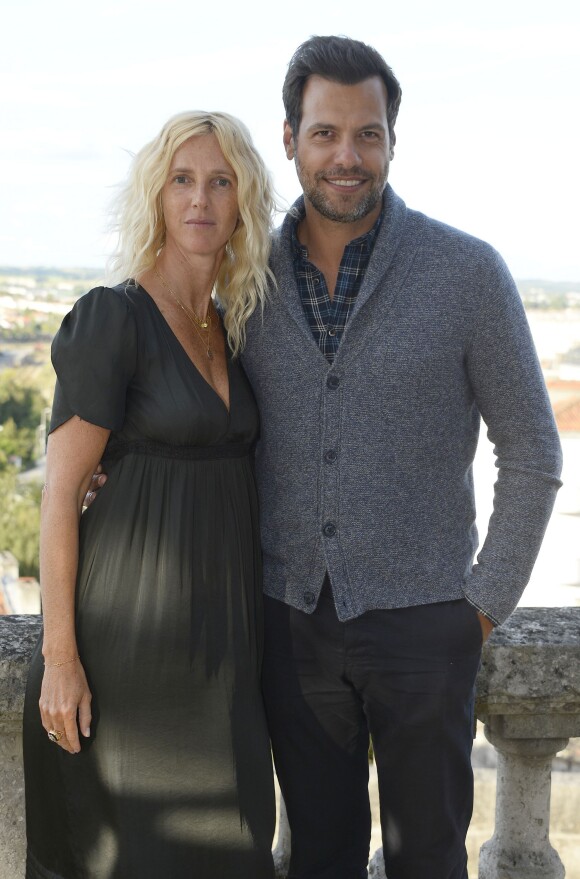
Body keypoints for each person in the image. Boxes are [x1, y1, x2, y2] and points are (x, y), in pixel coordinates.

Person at [238, 36, 563, 879]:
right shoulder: (247, 279)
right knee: (320, 856)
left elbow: (532, 448)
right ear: (289, 138)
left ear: (391, 139)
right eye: (325, 133)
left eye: (368, 133)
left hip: (427, 626)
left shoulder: (465, 272)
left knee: (428, 860)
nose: (347, 156)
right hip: (290, 620)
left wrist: (479, 610)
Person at [22, 111, 277, 879]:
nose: (200, 199)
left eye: (220, 182)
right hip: (121, 661)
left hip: (221, 664)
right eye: (182, 180)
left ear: (242, 204)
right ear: (158, 198)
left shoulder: (233, 329)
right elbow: (61, 494)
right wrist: (60, 658)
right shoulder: (115, 319)